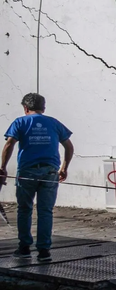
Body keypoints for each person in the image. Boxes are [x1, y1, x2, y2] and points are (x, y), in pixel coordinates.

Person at [1, 93, 73, 261]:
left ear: (25, 108)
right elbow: (69, 146)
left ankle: (24, 247)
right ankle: (44, 251)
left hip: (27, 172)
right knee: (45, 211)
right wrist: (64, 168)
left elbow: (9, 144)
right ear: (43, 108)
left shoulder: (20, 122)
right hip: (50, 172)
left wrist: (2, 168)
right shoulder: (54, 123)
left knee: (24, 209)